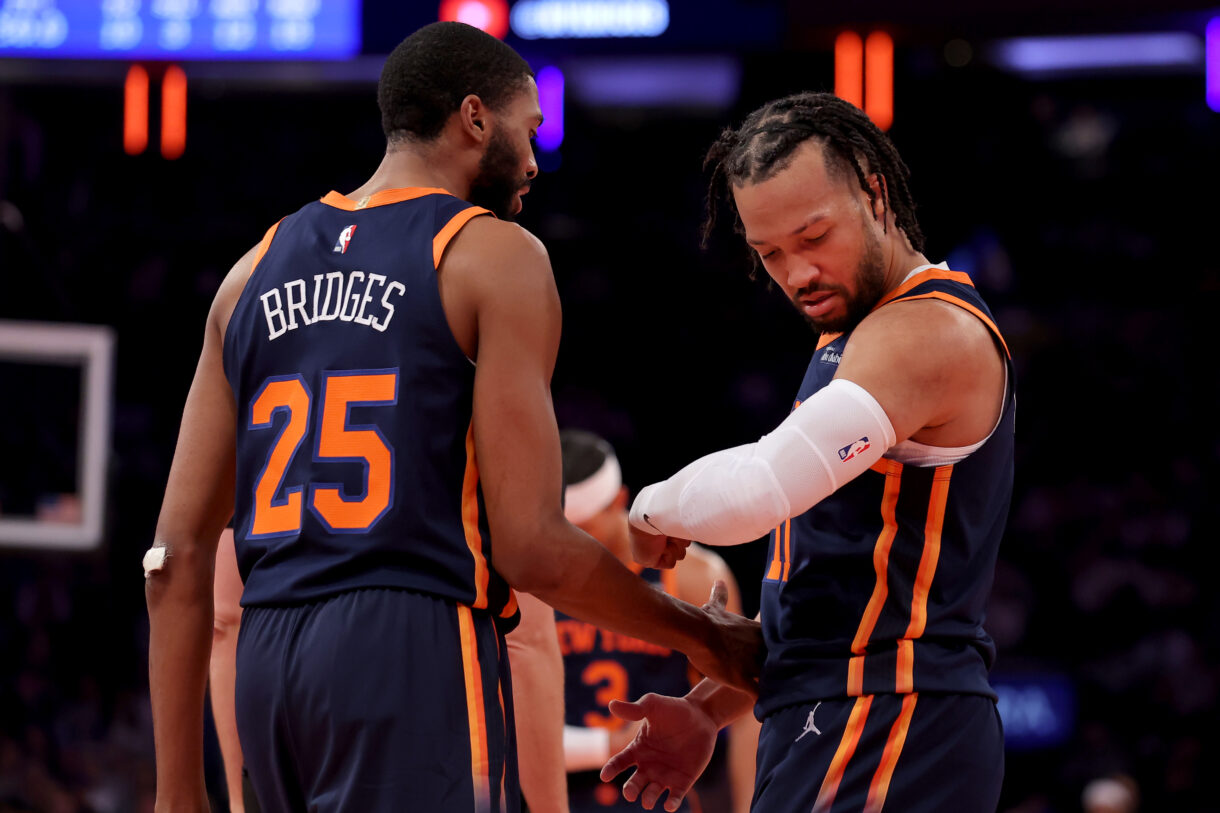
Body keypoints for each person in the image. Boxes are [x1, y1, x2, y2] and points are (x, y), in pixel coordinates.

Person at [143, 21, 761, 813]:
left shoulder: (249, 272)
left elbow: (174, 556)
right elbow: (533, 547)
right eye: (528, 129)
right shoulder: (494, 255)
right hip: (406, 645)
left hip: (270, 658)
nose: (536, 160)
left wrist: (175, 791)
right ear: (475, 118)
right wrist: (710, 639)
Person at [601, 91, 1015, 813]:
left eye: (813, 236)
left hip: (893, 716)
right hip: (841, 713)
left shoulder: (926, 331)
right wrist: (710, 706)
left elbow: (756, 491)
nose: (796, 275)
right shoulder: (853, 333)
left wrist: (648, 505)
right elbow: (838, 591)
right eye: (769, 253)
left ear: (873, 191)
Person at [209, 534, 570, 813]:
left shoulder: (251, 434)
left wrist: (238, 801)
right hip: (410, 666)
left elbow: (224, 621)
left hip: (273, 671)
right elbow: (526, 641)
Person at [557, 430, 760, 813]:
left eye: (583, 526)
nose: (571, 541)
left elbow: (744, 699)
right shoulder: (537, 582)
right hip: (562, 794)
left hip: (663, 794)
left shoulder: (692, 576)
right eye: (562, 530)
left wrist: (751, 804)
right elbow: (516, 718)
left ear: (619, 501)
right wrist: (610, 745)